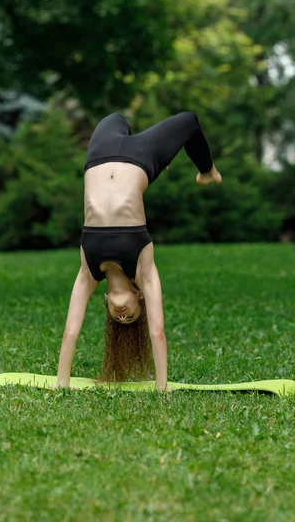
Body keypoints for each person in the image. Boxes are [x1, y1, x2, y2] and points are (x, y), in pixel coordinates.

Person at [53, 111, 222, 391]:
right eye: (130, 316)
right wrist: (161, 386)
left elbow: (70, 331)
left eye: (117, 317)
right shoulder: (144, 271)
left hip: (100, 154)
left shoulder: (88, 272)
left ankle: (160, 158)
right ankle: (208, 172)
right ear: (138, 296)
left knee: (116, 118)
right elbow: (157, 332)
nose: (122, 314)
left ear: (106, 300)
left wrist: (62, 383)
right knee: (190, 120)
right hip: (139, 158)